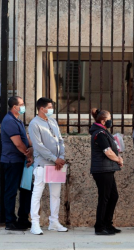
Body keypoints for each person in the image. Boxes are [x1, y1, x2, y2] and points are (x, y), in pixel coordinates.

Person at [28, 97, 68, 235]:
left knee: (55, 194)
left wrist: (61, 157)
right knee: (37, 193)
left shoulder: (52, 121)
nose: (51, 109)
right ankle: (35, 223)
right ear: (42, 108)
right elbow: (38, 146)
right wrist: (54, 158)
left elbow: (60, 140)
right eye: (49, 107)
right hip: (43, 164)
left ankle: (54, 222)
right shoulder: (34, 124)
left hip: (57, 164)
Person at [0, 96, 33, 230]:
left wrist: (33, 147)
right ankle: (10, 221)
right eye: (22, 104)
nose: (24, 106)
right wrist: (28, 154)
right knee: (11, 191)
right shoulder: (9, 121)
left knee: (26, 189)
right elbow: (18, 143)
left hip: (20, 161)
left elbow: (26, 139)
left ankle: (23, 219)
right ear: (15, 107)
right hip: (12, 161)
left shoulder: (17, 120)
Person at [89, 108, 123, 235]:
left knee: (113, 196)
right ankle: (100, 227)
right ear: (103, 121)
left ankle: (108, 224)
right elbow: (107, 151)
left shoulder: (103, 132)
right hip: (102, 170)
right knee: (105, 198)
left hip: (107, 168)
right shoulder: (100, 133)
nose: (110, 122)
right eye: (109, 119)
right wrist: (118, 159)